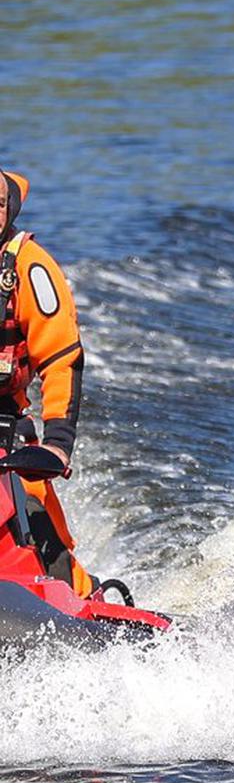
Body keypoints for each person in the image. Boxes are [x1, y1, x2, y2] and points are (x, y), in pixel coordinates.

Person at [0, 168, 97, 598]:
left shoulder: (29, 266)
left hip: (5, 436)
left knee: (39, 532)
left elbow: (61, 359)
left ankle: (80, 599)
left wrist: (56, 444)